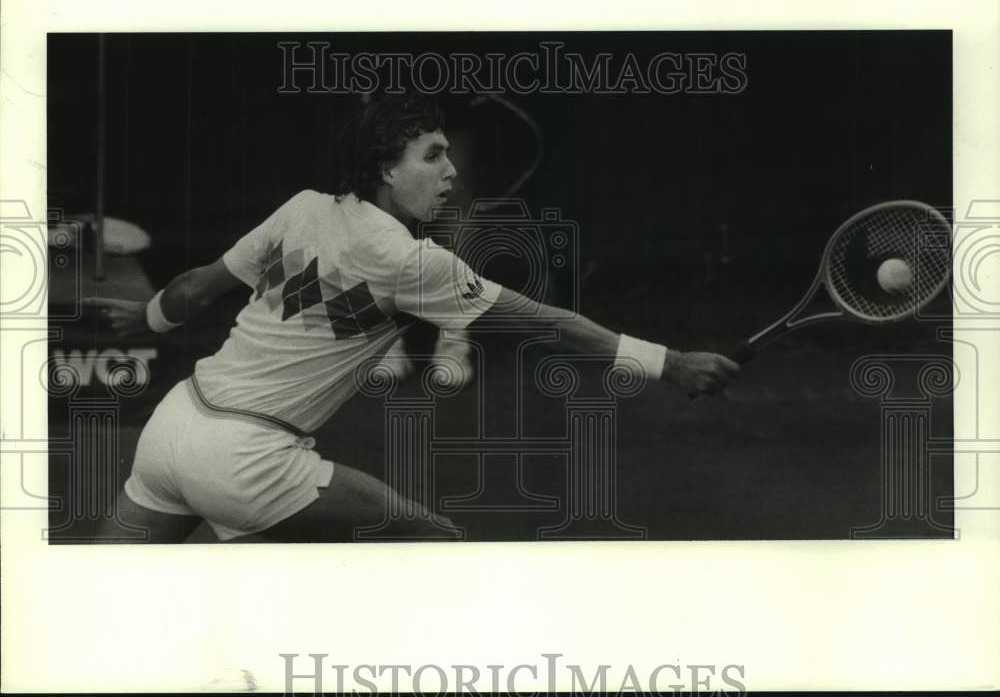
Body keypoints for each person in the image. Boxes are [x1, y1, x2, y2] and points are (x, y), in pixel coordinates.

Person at [84, 92, 739, 543]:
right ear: (385, 170)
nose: (451, 171)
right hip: (248, 462)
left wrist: (143, 317)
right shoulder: (415, 263)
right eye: (432, 156)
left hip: (172, 428)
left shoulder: (302, 206)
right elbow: (546, 323)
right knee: (431, 542)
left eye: (448, 153)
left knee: (99, 608)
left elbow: (196, 290)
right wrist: (668, 362)